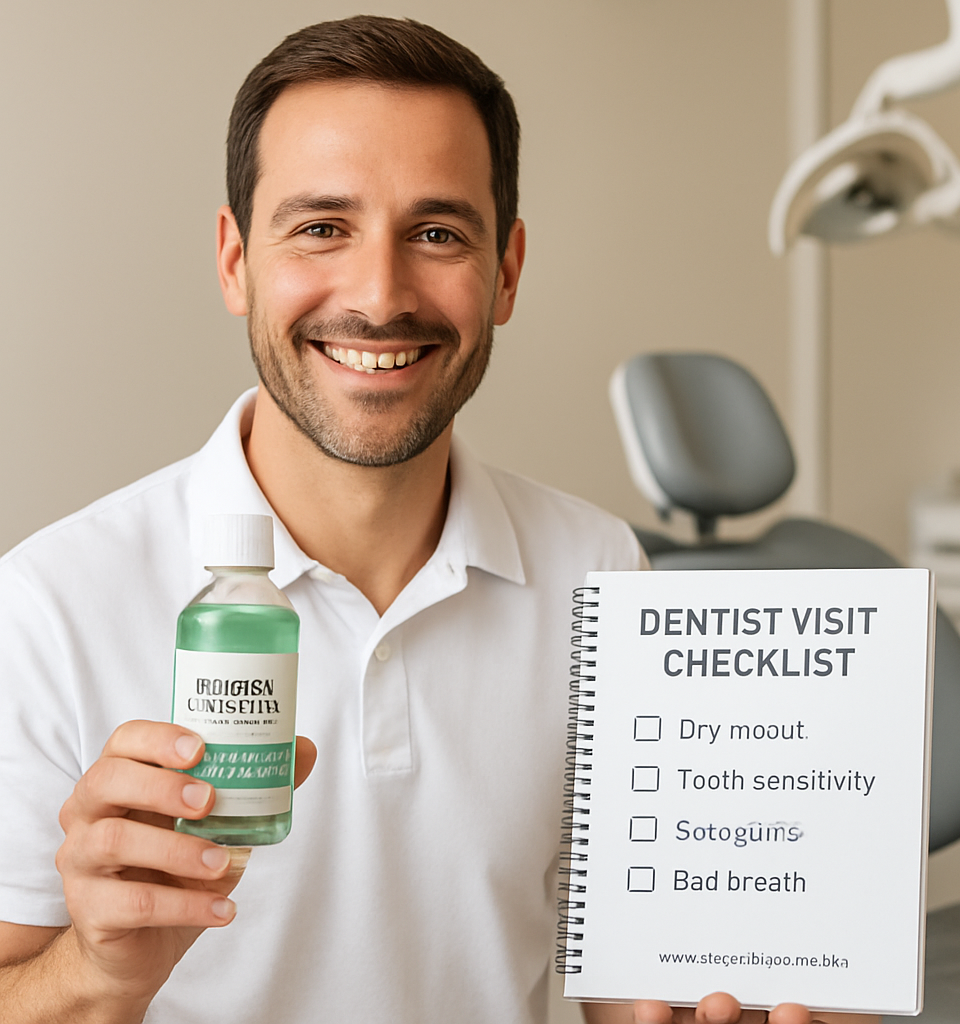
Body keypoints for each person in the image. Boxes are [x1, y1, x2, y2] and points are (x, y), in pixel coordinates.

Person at [0, 17, 868, 1024]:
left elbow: (627, 989)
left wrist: (722, 994)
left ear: (505, 271)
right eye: (321, 227)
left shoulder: (601, 571)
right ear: (236, 259)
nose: (378, 296)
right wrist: (103, 973)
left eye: (438, 233)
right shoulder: (49, 604)